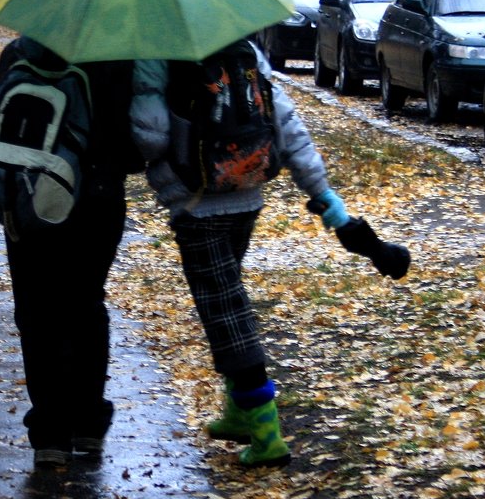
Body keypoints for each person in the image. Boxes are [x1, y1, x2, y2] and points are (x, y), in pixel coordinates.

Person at [129, 41, 349, 468]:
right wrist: (320, 190)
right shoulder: (246, 47)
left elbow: (150, 138)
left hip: (196, 202)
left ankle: (268, 436)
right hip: (248, 191)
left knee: (227, 315)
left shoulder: (156, 54)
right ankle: (237, 412)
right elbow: (286, 122)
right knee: (228, 299)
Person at [0, 36, 143, 468]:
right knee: (87, 304)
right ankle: (89, 425)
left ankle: (50, 434)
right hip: (98, 196)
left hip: (29, 197)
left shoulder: (21, 53)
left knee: (36, 312)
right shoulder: (119, 56)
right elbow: (137, 146)